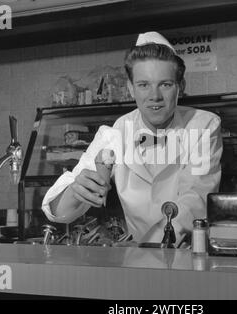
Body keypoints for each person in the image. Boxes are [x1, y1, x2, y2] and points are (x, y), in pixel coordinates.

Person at [42, 31, 223, 243]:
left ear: (180, 87)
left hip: (189, 254)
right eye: (143, 85)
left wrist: (149, 248)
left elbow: (195, 200)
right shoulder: (117, 133)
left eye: (165, 84)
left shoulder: (202, 126)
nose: (154, 96)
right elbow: (57, 210)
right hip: (139, 262)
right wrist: (76, 191)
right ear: (131, 88)